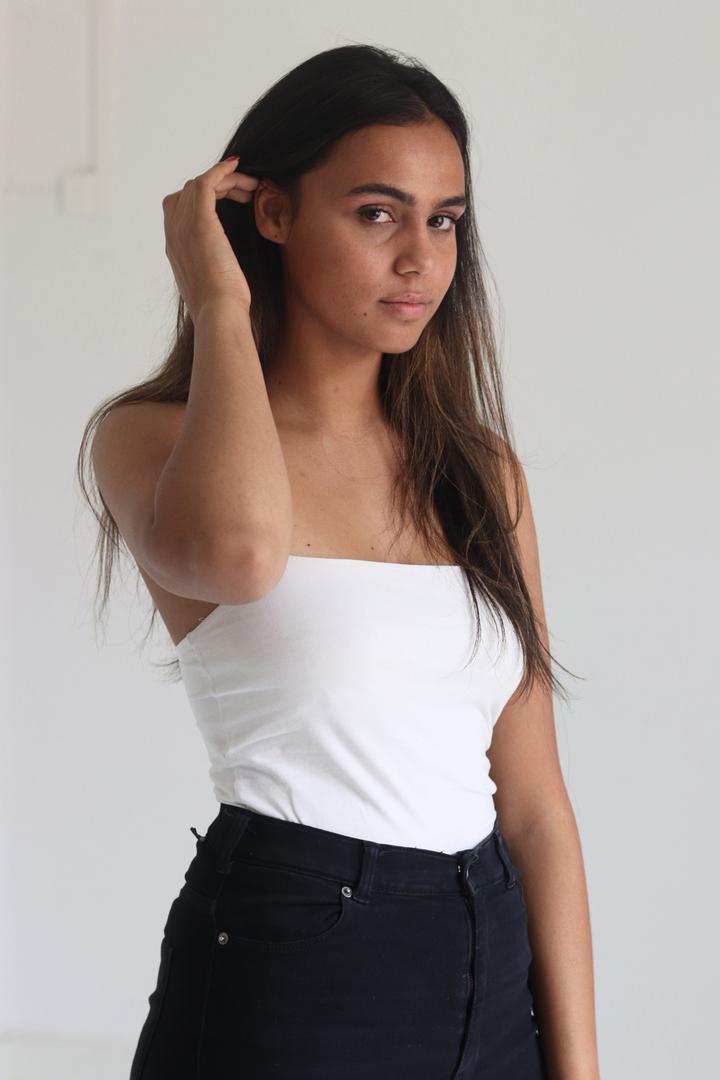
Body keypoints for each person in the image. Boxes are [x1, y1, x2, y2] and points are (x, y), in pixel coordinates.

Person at [78, 43, 600, 1080]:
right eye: (376, 213)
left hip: (492, 962)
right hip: (300, 961)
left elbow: (537, 806)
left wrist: (579, 1068)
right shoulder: (150, 440)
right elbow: (239, 554)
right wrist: (219, 301)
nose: (420, 259)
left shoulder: (479, 473)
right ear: (273, 214)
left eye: (443, 220)